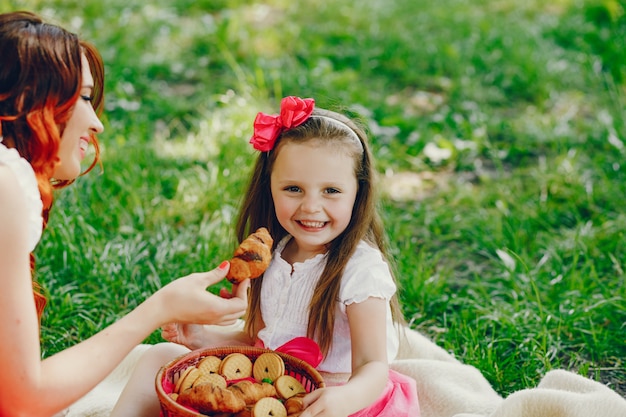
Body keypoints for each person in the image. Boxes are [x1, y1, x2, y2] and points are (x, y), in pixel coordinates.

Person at [0, 11, 249, 417]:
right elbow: (21, 400)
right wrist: (160, 307)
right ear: (28, 99)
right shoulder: (5, 183)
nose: (95, 122)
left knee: (160, 360)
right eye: (80, 96)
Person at [162, 96, 420, 416]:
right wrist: (201, 336)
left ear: (358, 192)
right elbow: (257, 340)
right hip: (271, 389)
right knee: (156, 357)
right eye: (294, 189)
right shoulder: (270, 255)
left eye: (331, 191)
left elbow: (372, 365)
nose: (311, 206)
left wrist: (343, 399)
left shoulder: (360, 270)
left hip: (339, 399)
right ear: (269, 186)